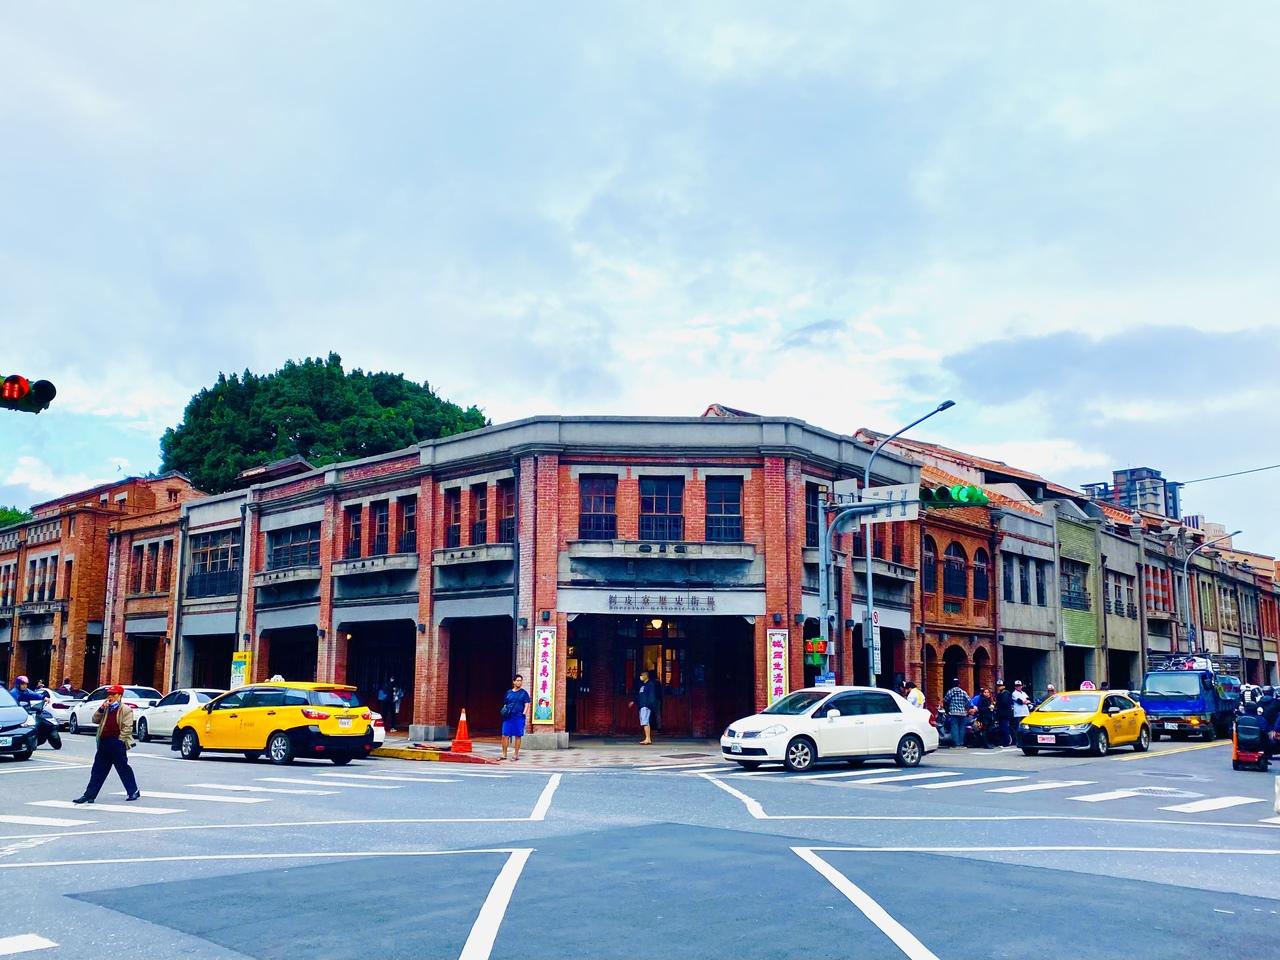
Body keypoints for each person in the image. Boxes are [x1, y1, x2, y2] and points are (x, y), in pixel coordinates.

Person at [73, 684, 139, 804]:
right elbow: (95, 720)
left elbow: (127, 727)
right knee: (97, 770)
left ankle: (133, 791)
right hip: (104, 742)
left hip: (117, 743)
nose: (110, 696)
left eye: (113, 694)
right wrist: (101, 709)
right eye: (109, 694)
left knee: (123, 768)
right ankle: (89, 795)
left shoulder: (126, 709)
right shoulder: (106, 708)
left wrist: (120, 740)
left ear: (120, 696)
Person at [499, 674, 532, 761]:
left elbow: (527, 704)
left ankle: (516, 755)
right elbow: (505, 703)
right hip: (508, 717)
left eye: (521, 681)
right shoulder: (509, 692)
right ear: (513, 682)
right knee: (504, 735)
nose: (519, 682)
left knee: (518, 736)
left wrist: (523, 714)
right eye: (518, 680)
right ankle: (504, 754)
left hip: (518, 717)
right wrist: (505, 711)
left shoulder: (524, 693)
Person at [630, 669, 660, 745]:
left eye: (642, 675)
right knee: (644, 722)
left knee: (645, 721)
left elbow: (652, 696)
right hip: (642, 705)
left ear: (646, 676)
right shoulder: (643, 685)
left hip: (646, 705)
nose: (641, 677)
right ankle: (647, 738)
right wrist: (634, 701)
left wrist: (649, 705)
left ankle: (648, 738)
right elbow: (640, 695)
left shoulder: (650, 684)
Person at [943, 678, 970, 749]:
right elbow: (968, 701)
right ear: (959, 684)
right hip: (962, 713)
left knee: (954, 728)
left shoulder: (950, 692)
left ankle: (955, 744)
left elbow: (945, 700)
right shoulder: (963, 692)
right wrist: (964, 706)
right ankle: (961, 743)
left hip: (953, 713)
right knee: (962, 728)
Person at [994, 681, 1014, 747]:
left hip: (1004, 714)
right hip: (1002, 714)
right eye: (998, 686)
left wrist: (997, 704)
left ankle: (1006, 742)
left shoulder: (1005, 693)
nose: (999, 687)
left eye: (1000, 685)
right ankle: (1004, 741)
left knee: (1004, 728)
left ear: (1004, 686)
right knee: (1002, 728)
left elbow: (1004, 703)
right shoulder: (1001, 693)